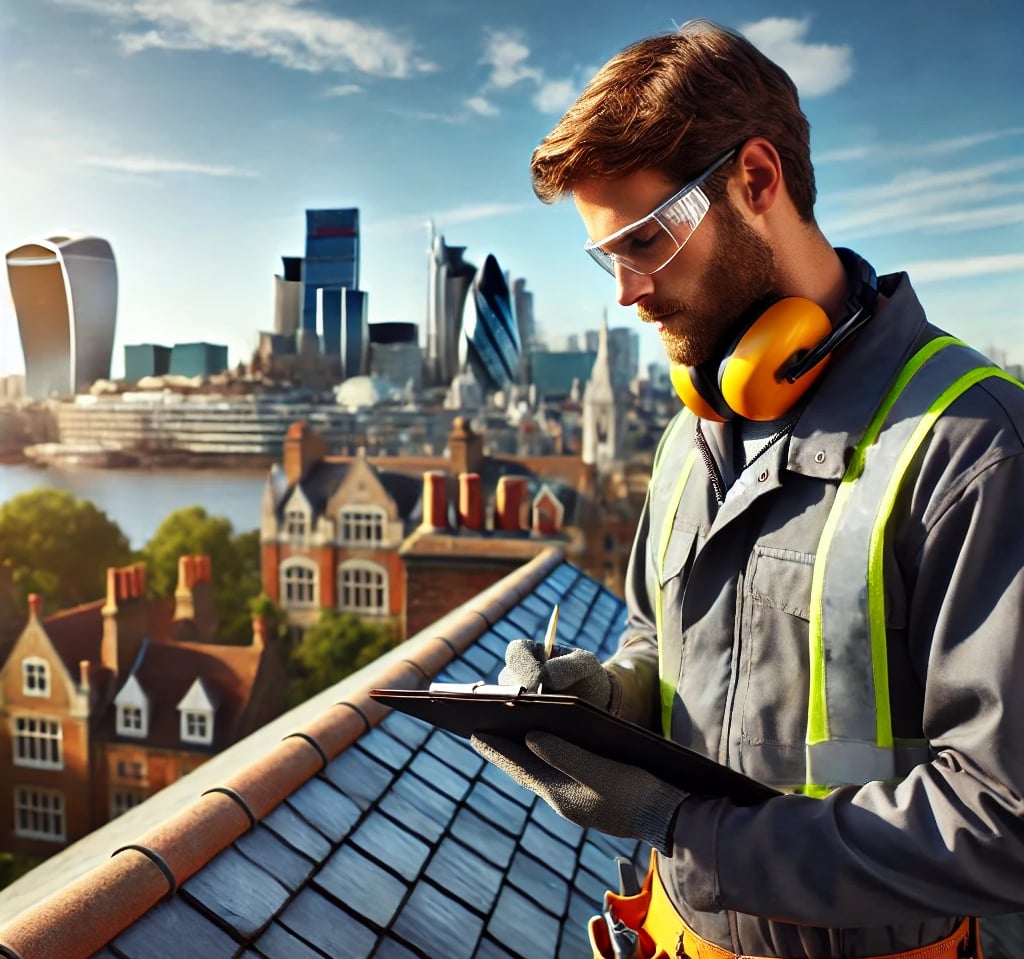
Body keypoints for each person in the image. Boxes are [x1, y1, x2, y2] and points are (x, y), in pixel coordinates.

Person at [471, 19, 1024, 959]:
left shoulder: (974, 444)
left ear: (756, 180)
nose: (627, 293)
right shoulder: (691, 436)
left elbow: (1003, 819)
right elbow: (669, 649)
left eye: (645, 239)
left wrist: (693, 835)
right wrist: (603, 699)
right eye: (608, 257)